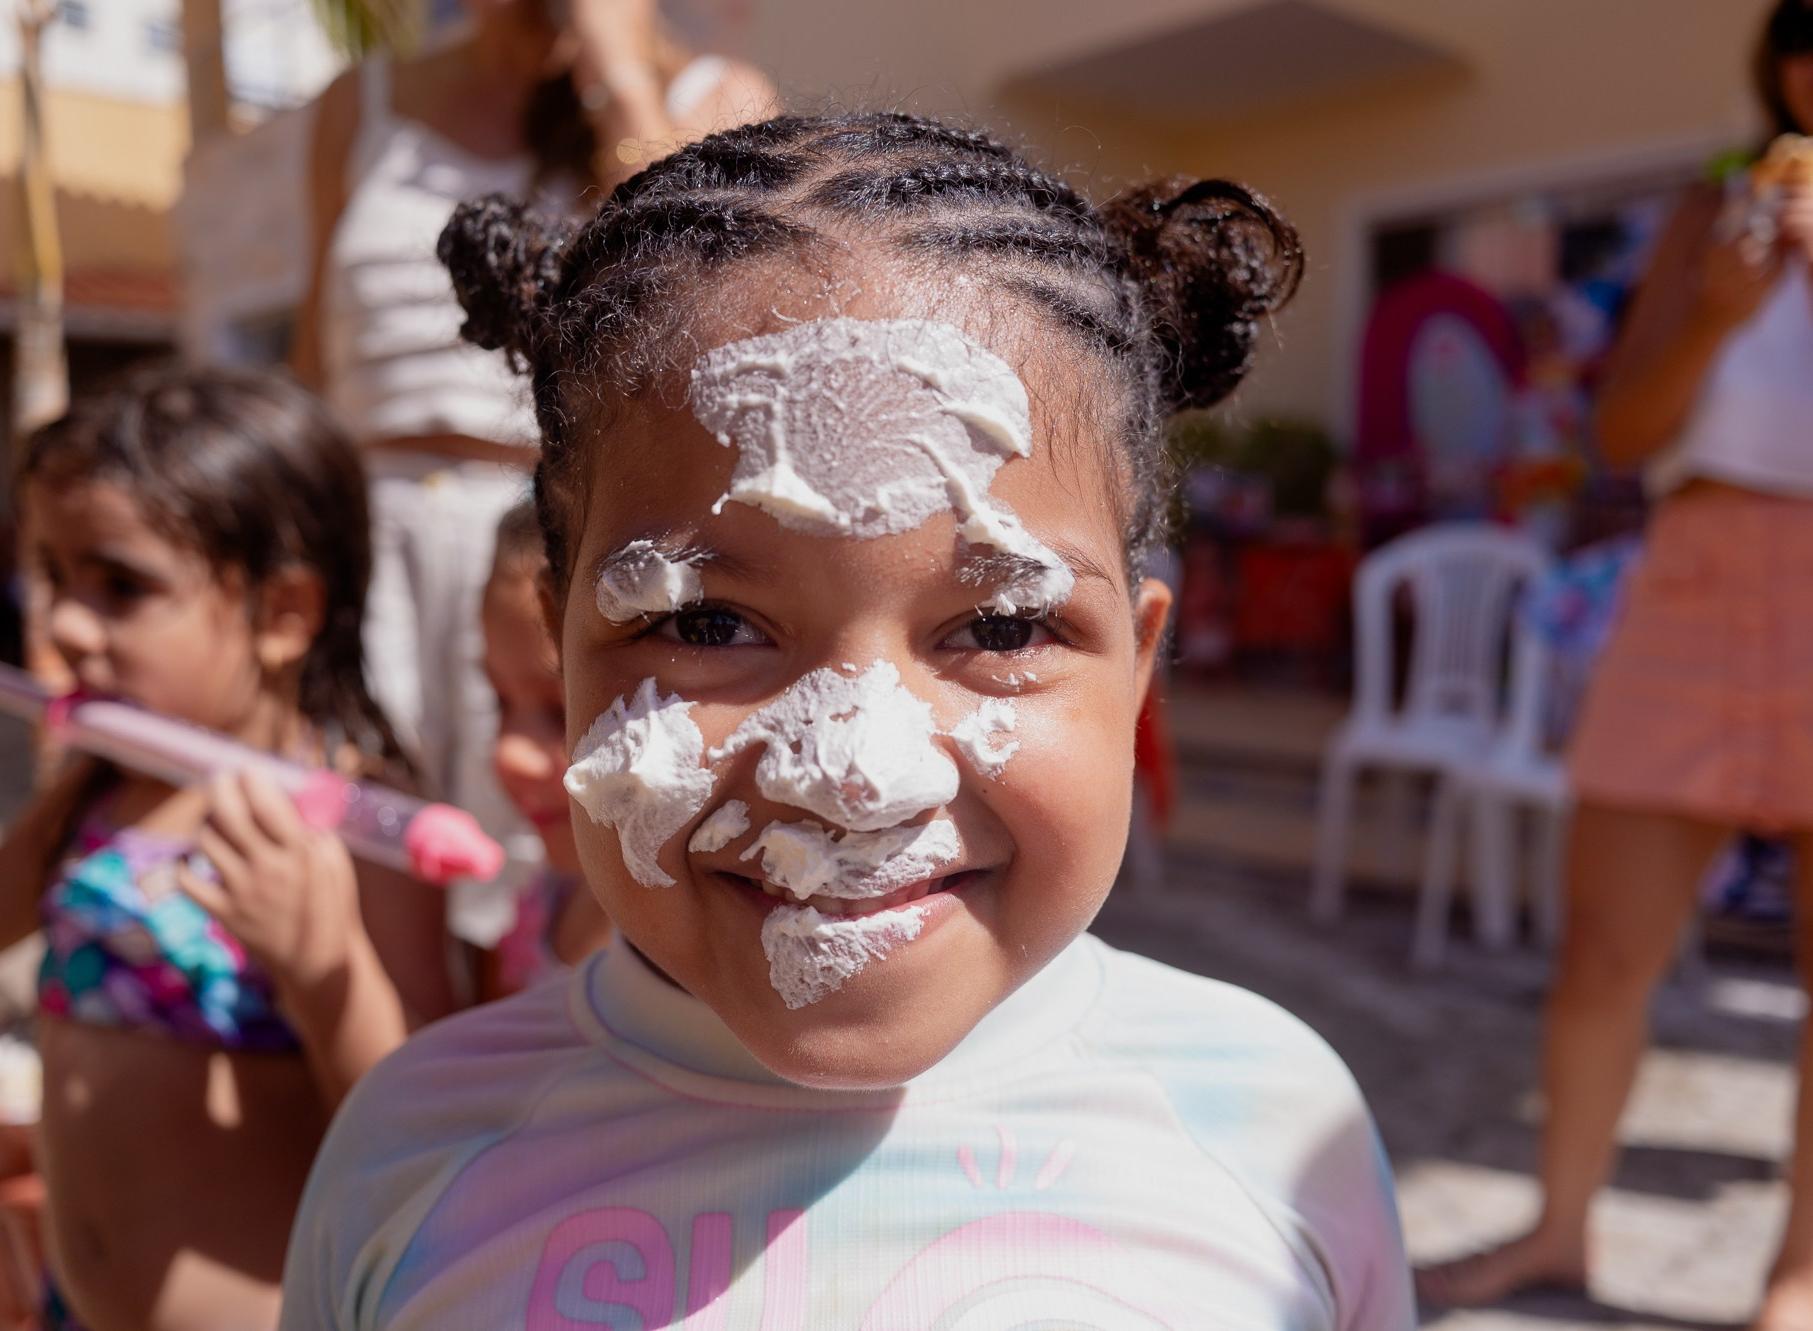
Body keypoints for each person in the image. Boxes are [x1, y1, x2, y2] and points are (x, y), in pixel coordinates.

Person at [279, 111, 1414, 1329]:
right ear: (559, 655)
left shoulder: (1275, 1131)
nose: (857, 776)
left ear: (1138, 671)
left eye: (1000, 628)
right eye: (707, 624)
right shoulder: (412, 1152)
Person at [0, 364, 457, 1331]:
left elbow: (423, 1142)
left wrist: (323, 968)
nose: (64, 623)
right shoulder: (101, 788)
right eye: (57, 574)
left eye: (121, 585)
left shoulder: (361, 828)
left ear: (284, 613)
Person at [1416, 3, 1813, 1320]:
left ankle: (1799, 1276)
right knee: (1601, 947)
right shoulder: (1717, 212)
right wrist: (1717, 311)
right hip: (1696, 580)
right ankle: (1560, 1230)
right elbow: (1629, 433)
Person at [292, 0, 775, 944]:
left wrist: (612, 65)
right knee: (371, 879)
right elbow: (316, 354)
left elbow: (712, 289)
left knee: (560, 886)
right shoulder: (364, 101)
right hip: (370, 540)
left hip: (553, 546)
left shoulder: (709, 95)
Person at [474, 499, 609, 997]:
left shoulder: (682, 965)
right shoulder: (546, 898)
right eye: (499, 701)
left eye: (560, 711)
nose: (508, 753)